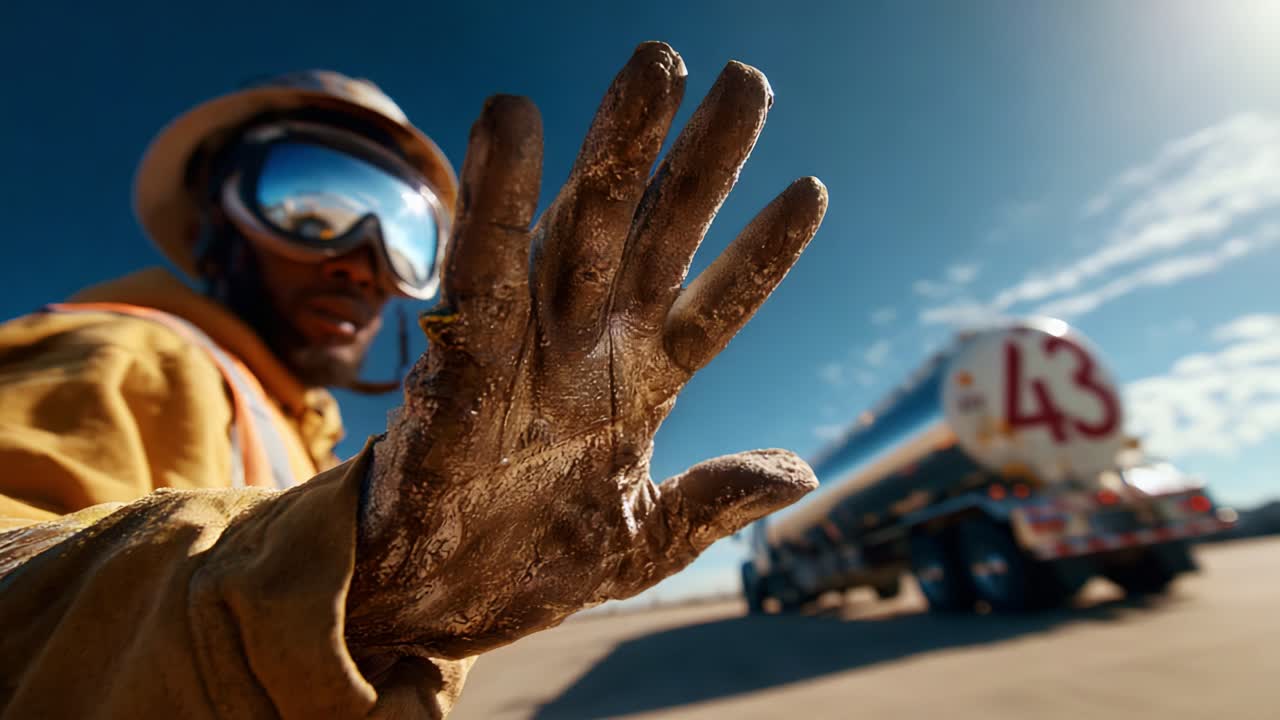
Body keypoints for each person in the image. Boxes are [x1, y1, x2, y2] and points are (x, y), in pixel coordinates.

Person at [0, 41, 827, 718]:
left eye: (398, 231)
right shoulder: (119, 352)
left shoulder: (302, 430)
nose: (359, 265)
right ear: (220, 223)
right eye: (307, 203)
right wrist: (331, 580)